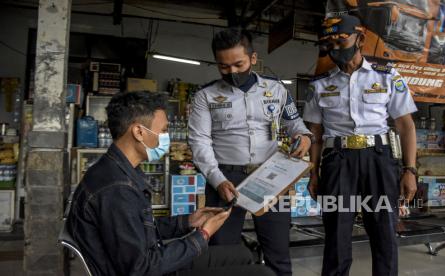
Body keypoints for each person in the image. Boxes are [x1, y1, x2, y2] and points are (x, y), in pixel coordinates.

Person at [67, 91, 275, 276]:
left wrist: (188, 221)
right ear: (139, 132)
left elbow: (138, 229)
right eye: (164, 130)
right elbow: (143, 267)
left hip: (148, 260)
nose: (167, 137)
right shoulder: (116, 189)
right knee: (262, 273)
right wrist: (203, 235)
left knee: (241, 254)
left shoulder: (116, 170)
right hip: (148, 268)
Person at [188, 28, 313, 276]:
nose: (232, 72)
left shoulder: (277, 90)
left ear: (253, 59)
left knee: (278, 250)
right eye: (224, 67)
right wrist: (217, 179)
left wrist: (304, 136)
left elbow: (295, 123)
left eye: (238, 64)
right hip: (225, 180)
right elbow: (199, 141)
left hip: (270, 178)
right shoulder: (206, 96)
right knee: (223, 252)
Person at [303, 15, 418, 276]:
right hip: (338, 162)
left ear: (360, 39)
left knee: (384, 233)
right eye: (329, 42)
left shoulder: (388, 76)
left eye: (341, 40)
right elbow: (316, 134)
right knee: (336, 234)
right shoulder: (320, 85)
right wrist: (314, 172)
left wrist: (410, 170)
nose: (335, 47)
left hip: (379, 159)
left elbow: (406, 126)